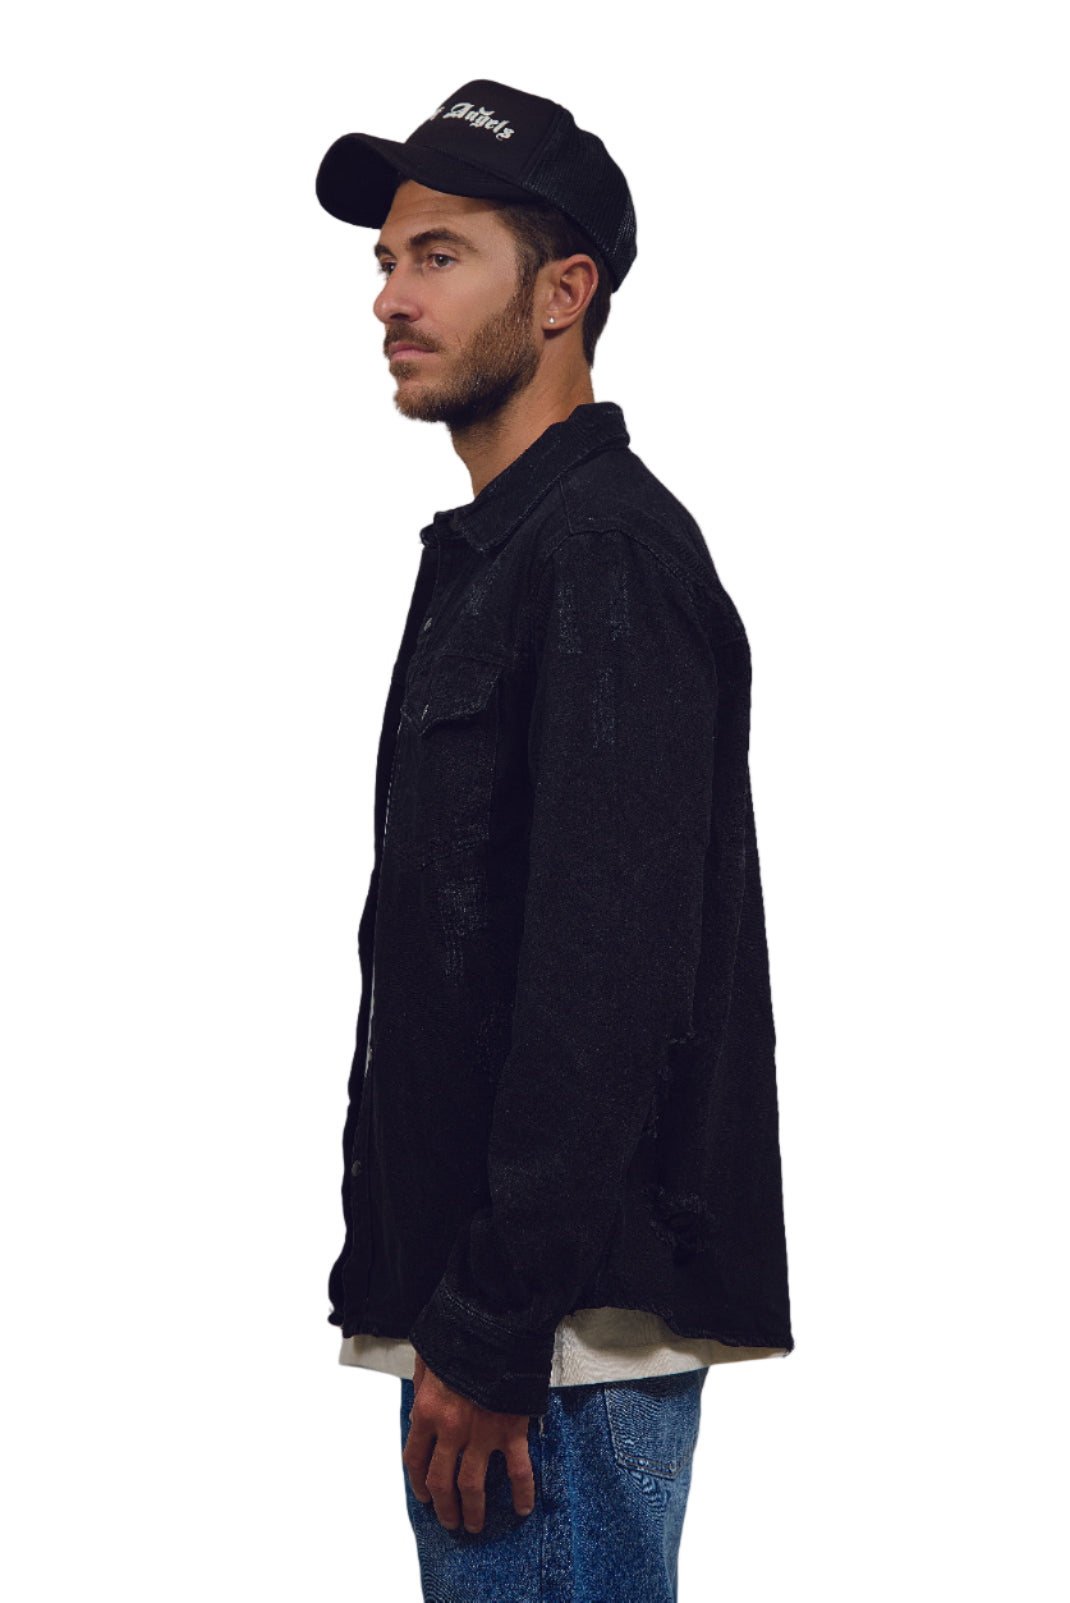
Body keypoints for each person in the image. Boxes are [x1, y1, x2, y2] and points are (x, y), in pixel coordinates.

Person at [315, 78, 794, 1602]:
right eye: (386, 261)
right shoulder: (503, 553)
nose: (390, 299)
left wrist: (491, 1323)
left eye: (439, 256)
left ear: (563, 291)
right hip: (501, 1309)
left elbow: (607, 975)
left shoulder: (601, 557)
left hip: (548, 1338)